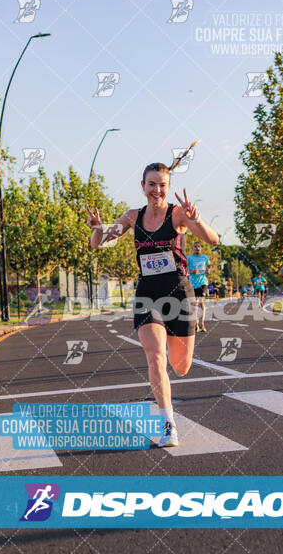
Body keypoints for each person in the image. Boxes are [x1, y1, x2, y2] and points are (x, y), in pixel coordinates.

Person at [87, 157, 219, 447]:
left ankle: (176, 360)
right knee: (155, 356)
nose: (156, 190)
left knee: (181, 366)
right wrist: (98, 228)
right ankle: (168, 423)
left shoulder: (178, 215)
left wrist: (195, 218)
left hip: (179, 293)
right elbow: (100, 243)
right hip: (148, 294)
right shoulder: (133, 217)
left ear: (168, 187)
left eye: (162, 185)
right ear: (143, 186)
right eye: (151, 184)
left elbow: (213, 240)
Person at [187, 241, 210, 332]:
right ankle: (196, 324)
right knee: (195, 304)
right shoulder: (189, 258)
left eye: (199, 246)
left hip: (202, 283)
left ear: (201, 248)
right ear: (193, 248)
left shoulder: (204, 257)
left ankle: (202, 323)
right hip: (192, 283)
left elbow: (209, 265)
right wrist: (192, 271)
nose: (197, 248)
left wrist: (208, 269)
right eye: (195, 246)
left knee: (201, 302)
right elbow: (186, 269)